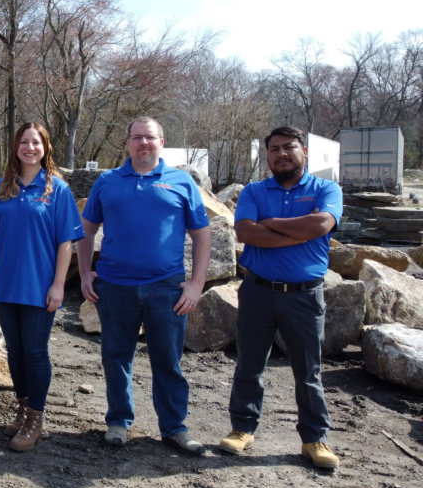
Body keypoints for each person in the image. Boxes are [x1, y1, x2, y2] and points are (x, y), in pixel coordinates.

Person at [78, 116, 211, 455]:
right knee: (115, 356)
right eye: (136, 137)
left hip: (165, 287)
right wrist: (84, 273)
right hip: (114, 286)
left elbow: (202, 235)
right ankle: (118, 421)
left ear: (161, 142)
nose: (143, 143)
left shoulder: (180, 182)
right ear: (127, 143)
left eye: (150, 137)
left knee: (167, 360)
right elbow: (86, 231)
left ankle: (174, 427)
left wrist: (196, 283)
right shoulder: (107, 182)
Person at [220, 126, 342, 469]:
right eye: (274, 149)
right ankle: (242, 428)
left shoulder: (326, 188)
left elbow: (320, 225)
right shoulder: (255, 192)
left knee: (308, 371)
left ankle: (314, 439)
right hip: (258, 291)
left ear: (303, 151)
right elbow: (245, 232)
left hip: (304, 297)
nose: (281, 154)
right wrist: (298, 232)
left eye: (288, 147)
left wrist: (270, 224)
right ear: (268, 156)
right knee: (249, 364)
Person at [0, 122, 83, 452]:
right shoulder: (0, 189)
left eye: (36, 142)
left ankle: (36, 418)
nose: (30, 147)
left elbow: (66, 242)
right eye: (24, 141)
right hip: (6, 285)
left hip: (40, 287)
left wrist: (58, 285)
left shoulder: (57, 190)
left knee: (35, 352)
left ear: (45, 147)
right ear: (16, 147)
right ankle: (22, 410)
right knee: (15, 351)